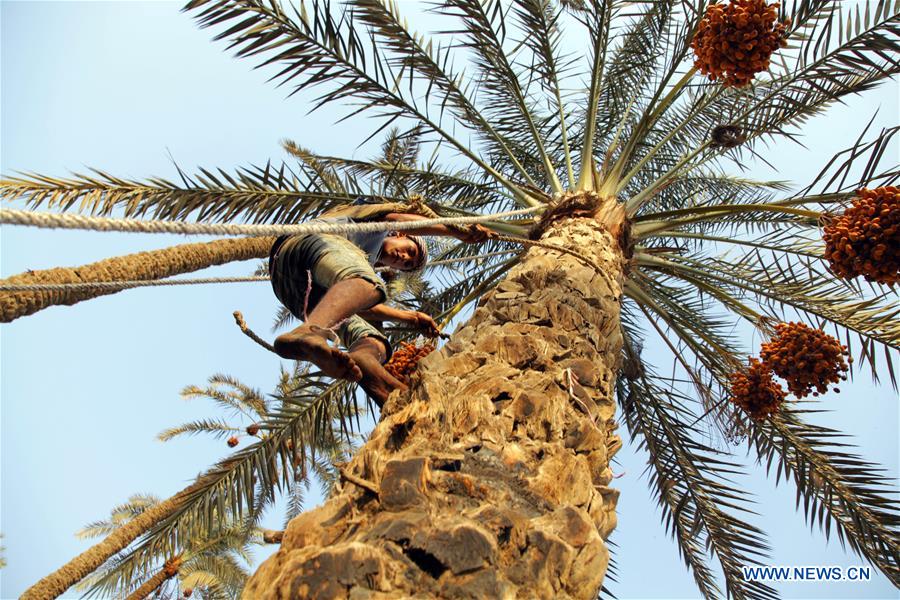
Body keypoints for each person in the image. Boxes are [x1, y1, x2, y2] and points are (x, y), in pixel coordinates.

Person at [269, 209, 493, 405]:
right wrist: (455, 231)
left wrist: (411, 317)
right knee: (369, 284)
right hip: (307, 244)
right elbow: (398, 218)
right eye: (410, 251)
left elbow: (356, 306)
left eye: (406, 265)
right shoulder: (375, 231)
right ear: (401, 235)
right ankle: (309, 333)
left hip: (292, 289)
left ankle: (390, 393)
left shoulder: (356, 275)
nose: (403, 257)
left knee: (375, 342)